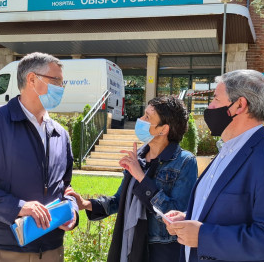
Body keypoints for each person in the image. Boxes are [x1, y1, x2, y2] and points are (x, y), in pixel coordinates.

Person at [165, 70, 264, 262]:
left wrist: (204, 236)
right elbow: (226, 211)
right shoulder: (226, 151)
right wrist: (190, 217)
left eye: (215, 98)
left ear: (239, 105)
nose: (210, 106)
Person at [0, 52, 78, 262]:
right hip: (2, 249)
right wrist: (17, 208)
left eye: (63, 83)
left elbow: (65, 188)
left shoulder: (60, 134)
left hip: (51, 250)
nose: (61, 88)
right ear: (32, 80)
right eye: (57, 81)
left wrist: (71, 210)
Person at [68, 96, 198, 262]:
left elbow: (175, 217)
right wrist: (87, 204)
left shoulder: (185, 162)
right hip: (130, 246)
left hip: (162, 251)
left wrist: (141, 178)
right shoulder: (139, 158)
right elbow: (118, 200)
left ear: (163, 129)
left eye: (147, 117)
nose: (140, 120)